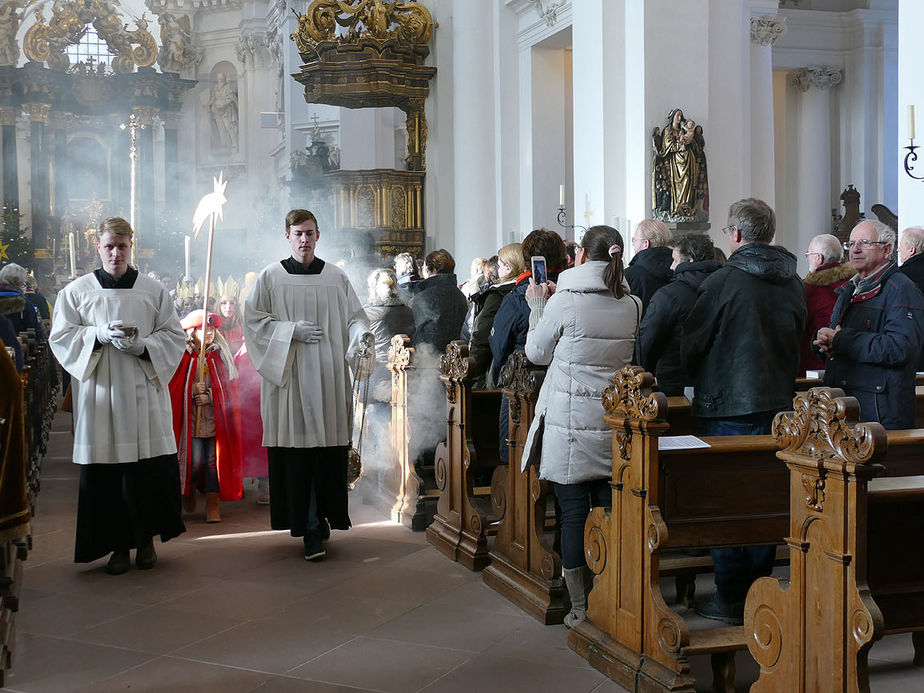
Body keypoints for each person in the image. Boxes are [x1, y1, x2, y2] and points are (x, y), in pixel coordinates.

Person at [681, 198, 806, 624]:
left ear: (735, 234)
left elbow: (693, 343)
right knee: (764, 496)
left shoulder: (723, 282)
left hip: (727, 404)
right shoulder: (793, 281)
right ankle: (760, 591)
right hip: (778, 404)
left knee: (727, 500)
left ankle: (731, 596)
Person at [48, 217, 186, 575]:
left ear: (131, 246)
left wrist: (144, 346)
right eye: (109, 246)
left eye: (122, 246)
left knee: (145, 473)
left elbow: (174, 337)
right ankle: (117, 548)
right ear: (98, 247)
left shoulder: (153, 291)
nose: (116, 253)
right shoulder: (77, 292)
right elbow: (61, 338)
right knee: (108, 477)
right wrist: (95, 335)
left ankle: (145, 543)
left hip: (143, 395)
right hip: (102, 399)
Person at [521, 225, 642, 628]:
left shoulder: (565, 301)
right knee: (609, 511)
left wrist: (538, 307)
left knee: (573, 514)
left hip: (571, 423)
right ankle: (613, 598)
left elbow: (536, 354)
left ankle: (580, 608)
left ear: (580, 258)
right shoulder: (633, 304)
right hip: (611, 422)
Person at [243, 209, 372, 561]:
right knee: (299, 456)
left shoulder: (336, 277)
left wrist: (361, 337)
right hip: (290, 381)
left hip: (329, 378)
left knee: (325, 454)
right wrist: (288, 331)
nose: (304, 239)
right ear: (287, 235)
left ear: (318, 236)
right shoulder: (270, 277)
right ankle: (310, 526)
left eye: (310, 233)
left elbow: (355, 318)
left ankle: (321, 518)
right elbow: (253, 323)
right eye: (298, 233)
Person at [816, 220, 924, 430]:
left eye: (864, 242)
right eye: (851, 243)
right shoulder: (849, 289)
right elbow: (839, 338)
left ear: (887, 249)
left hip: (879, 413)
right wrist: (823, 343)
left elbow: (900, 348)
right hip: (845, 406)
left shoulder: (902, 290)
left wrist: (841, 340)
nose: (855, 249)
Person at [490, 229, 567, 463]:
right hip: (561, 384)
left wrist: (500, 374)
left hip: (520, 386)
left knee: (512, 451)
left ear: (526, 260)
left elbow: (499, 342)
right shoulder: (569, 292)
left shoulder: (518, 296)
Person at [169, 309, 243, 523]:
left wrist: (210, 395)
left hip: (213, 421)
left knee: (212, 462)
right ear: (192, 332)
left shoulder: (219, 355)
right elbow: (172, 387)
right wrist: (191, 391)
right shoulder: (182, 357)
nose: (209, 333)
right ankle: (189, 491)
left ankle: (213, 504)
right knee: (195, 461)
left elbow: (230, 389)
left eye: (211, 330)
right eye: (203, 330)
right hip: (190, 421)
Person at [636, 233, 721, 396]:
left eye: (675, 260)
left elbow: (647, 341)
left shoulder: (669, 295)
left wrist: (651, 372)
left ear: (689, 261)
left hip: (673, 384)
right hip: (716, 385)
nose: (671, 267)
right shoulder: (726, 287)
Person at [468, 244, 523, 386]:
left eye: (499, 266)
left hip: (498, 371)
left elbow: (482, 337)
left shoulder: (498, 295)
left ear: (509, 268)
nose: (498, 272)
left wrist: (473, 374)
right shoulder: (530, 289)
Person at [799, 233, 854, 373]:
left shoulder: (807, 289)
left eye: (808, 254)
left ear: (818, 258)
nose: (807, 258)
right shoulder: (854, 284)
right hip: (850, 364)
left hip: (814, 367)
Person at [364, 268, 415, 401]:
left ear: (374, 289)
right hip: (405, 373)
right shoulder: (408, 311)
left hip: (377, 373)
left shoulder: (369, 313)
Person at [652, 107, 708, 221]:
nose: (679, 118)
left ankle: (687, 207)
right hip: (676, 163)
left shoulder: (683, 130)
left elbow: (694, 146)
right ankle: (678, 208)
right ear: (672, 117)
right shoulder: (668, 131)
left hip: (688, 160)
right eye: (677, 115)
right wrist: (680, 145)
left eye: (680, 116)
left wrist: (689, 141)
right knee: (678, 184)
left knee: (688, 181)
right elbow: (667, 147)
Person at [409, 249, 467, 354]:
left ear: (434, 270)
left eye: (425, 269)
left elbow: (419, 334)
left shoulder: (423, 297)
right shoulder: (460, 295)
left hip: (428, 359)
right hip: (455, 358)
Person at [624, 219, 674, 313]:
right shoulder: (678, 269)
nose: (633, 244)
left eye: (634, 240)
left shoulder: (630, 275)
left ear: (646, 244)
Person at [210, 72, 239, 149]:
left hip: (226, 110)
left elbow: (232, 98)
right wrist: (212, 102)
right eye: (219, 79)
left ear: (224, 79)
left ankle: (234, 143)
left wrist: (225, 103)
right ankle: (225, 144)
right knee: (221, 129)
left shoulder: (227, 87)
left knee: (229, 127)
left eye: (221, 79)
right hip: (217, 111)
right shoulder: (215, 88)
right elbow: (212, 98)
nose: (220, 81)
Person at [216, 278, 244, 353]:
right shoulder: (212, 328)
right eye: (224, 303)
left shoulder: (243, 327)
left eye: (232, 303)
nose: (228, 307)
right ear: (219, 305)